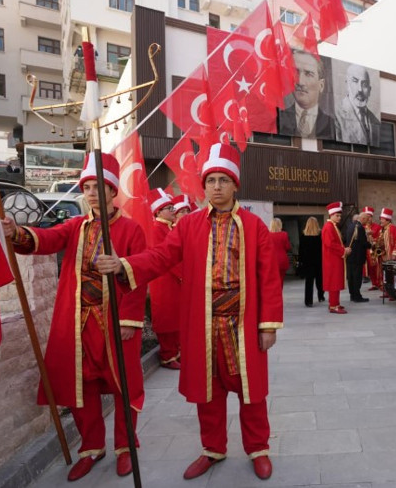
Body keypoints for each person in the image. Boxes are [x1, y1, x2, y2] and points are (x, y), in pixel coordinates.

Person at [95, 143, 283, 481]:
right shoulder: (188, 225)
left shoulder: (254, 226)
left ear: (235, 184)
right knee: (208, 393)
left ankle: (258, 449)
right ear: (204, 185)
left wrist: (268, 325)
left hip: (242, 323)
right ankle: (213, 448)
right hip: (203, 323)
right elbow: (160, 257)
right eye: (210, 180)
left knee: (250, 392)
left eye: (223, 179)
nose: (216, 186)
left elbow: (268, 278)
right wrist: (124, 264)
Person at [1, 153, 147, 481]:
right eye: (88, 187)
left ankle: (126, 447)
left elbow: (139, 277)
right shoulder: (76, 226)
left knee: (125, 386)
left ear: (113, 192)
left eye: (100, 187)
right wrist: (16, 233)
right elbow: (46, 240)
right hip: (79, 323)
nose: (93, 192)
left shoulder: (131, 229)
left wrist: (129, 320)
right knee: (83, 387)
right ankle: (91, 447)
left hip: (114, 324)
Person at [148, 188, 182, 370]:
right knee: (167, 318)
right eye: (169, 208)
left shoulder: (168, 228)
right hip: (164, 281)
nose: (172, 211)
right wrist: (183, 274)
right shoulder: (156, 229)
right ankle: (167, 355)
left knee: (176, 317)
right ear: (158, 211)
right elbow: (166, 256)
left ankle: (176, 352)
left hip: (174, 280)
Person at [278, 50, 334, 139]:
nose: (300, 82)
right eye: (295, 72)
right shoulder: (278, 118)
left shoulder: (333, 124)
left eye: (308, 74)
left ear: (321, 85)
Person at [334, 64, 381, 146]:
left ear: (369, 90)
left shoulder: (375, 121)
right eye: (355, 81)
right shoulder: (335, 115)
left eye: (364, 84)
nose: (360, 89)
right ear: (347, 85)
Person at [322, 202, 351, 314]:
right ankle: (333, 306)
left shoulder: (332, 226)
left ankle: (334, 303)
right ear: (331, 215)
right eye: (337, 215)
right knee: (334, 282)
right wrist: (344, 250)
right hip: (332, 259)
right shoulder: (329, 227)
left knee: (336, 281)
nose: (339, 217)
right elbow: (330, 244)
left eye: (340, 215)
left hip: (334, 258)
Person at [345, 213, 371, 303]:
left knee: (351, 277)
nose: (367, 222)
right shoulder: (359, 227)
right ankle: (357, 296)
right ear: (363, 218)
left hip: (350, 256)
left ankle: (352, 295)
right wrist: (371, 245)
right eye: (367, 219)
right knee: (357, 277)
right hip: (357, 257)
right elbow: (363, 242)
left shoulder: (350, 226)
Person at [299, 217, 325, 307]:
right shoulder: (320, 235)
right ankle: (321, 296)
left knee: (308, 282)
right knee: (320, 280)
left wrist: (301, 261)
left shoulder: (303, 235)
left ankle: (308, 301)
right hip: (318, 261)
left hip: (307, 262)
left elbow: (301, 250)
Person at [378, 207, 396, 300]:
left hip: (392, 256)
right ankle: (387, 291)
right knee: (385, 275)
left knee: (393, 276)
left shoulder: (394, 228)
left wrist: (395, 252)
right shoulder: (382, 230)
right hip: (384, 256)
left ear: (388, 220)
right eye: (380, 219)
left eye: (382, 219)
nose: (381, 221)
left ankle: (394, 294)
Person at [359, 206, 382, 291]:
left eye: (370, 216)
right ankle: (374, 283)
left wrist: (373, 239)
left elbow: (380, 237)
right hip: (365, 251)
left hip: (375, 250)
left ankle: (379, 283)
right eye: (367, 217)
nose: (368, 219)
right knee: (369, 268)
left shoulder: (377, 227)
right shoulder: (362, 227)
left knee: (376, 267)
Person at [269, 218, 291, 287]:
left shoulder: (267, 235)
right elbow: (288, 247)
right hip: (282, 261)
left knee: (272, 281)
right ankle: (279, 296)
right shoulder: (284, 234)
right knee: (280, 281)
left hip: (271, 261)